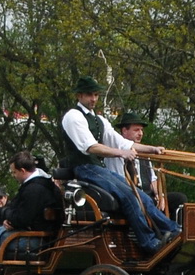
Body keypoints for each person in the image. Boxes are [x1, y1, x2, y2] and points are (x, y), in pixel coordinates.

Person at [60, 76, 178, 253]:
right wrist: (122, 153)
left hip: (98, 169)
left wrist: (151, 149)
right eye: (89, 95)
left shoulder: (99, 120)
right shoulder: (73, 116)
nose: (93, 99)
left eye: (96, 95)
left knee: (142, 197)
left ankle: (173, 230)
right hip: (85, 169)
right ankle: (148, 242)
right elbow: (91, 147)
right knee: (129, 196)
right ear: (79, 96)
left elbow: (122, 142)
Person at [0, 153, 63, 265]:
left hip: (36, 239)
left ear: (23, 171)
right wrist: (10, 220)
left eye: (14, 172)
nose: (14, 175)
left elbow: (21, 219)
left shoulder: (32, 189)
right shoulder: (46, 184)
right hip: (43, 235)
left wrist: (11, 221)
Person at [117, 112, 186, 222]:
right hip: (132, 198)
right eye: (136, 130)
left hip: (148, 197)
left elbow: (152, 180)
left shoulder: (146, 154)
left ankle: (175, 234)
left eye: (141, 130)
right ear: (124, 131)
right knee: (145, 202)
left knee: (179, 198)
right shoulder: (117, 152)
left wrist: (160, 195)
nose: (140, 133)